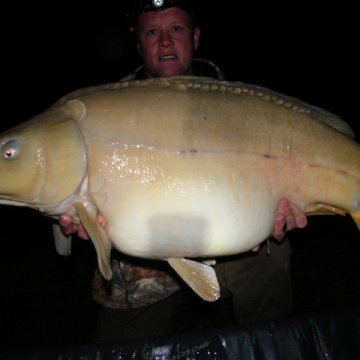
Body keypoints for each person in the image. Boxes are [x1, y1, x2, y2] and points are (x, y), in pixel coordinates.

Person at [59, 0, 308, 342]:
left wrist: (290, 207)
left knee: (272, 257)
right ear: (139, 45)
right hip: (140, 268)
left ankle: (267, 344)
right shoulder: (103, 108)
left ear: (195, 37)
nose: (164, 41)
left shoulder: (239, 103)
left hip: (229, 249)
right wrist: (78, 218)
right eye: (152, 32)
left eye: (175, 29)